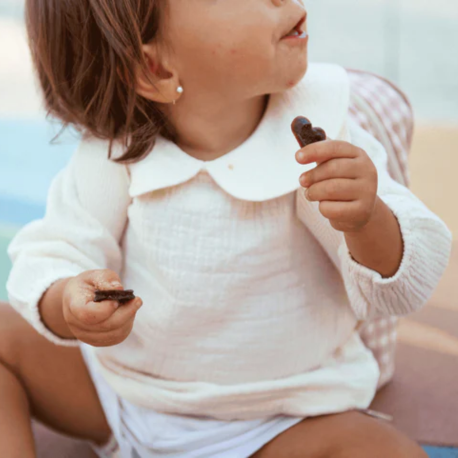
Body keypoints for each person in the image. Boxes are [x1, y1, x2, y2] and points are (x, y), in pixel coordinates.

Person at [1, 0, 452, 457]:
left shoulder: (321, 134)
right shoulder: (117, 151)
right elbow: (54, 251)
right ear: (154, 67)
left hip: (280, 422)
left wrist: (367, 218)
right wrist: (68, 304)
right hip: (123, 396)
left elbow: (401, 289)